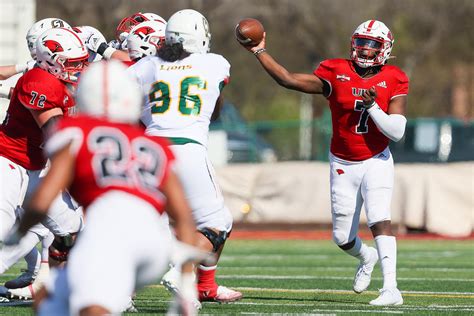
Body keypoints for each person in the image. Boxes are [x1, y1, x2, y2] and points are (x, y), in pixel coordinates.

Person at [4, 60, 205, 316]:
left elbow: (44, 197)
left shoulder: (77, 131)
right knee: (58, 296)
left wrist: (19, 231)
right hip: (155, 246)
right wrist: (187, 282)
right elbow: (184, 216)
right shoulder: (153, 145)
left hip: (108, 235)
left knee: (85, 305)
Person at [239, 19, 408, 306]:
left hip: (377, 159)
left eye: (373, 45)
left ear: (386, 49)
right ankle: (366, 257)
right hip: (343, 161)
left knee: (380, 218)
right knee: (342, 238)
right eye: (362, 43)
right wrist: (259, 51)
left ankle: (391, 289)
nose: (366, 50)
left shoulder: (394, 77)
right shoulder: (335, 70)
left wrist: (372, 107)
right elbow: (288, 79)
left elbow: (397, 131)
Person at [128, 9, 243, 305]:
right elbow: (214, 107)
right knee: (219, 222)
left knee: (147, 223)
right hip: (188, 148)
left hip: (150, 150)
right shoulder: (215, 63)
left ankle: (124, 291)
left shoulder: (148, 64)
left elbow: (120, 92)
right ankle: (182, 269)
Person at [0, 27, 88, 299]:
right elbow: (56, 131)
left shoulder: (60, 82)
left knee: (71, 228)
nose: (80, 68)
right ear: (50, 60)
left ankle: (57, 290)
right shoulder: (39, 81)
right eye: (73, 63)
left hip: (33, 169)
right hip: (8, 165)